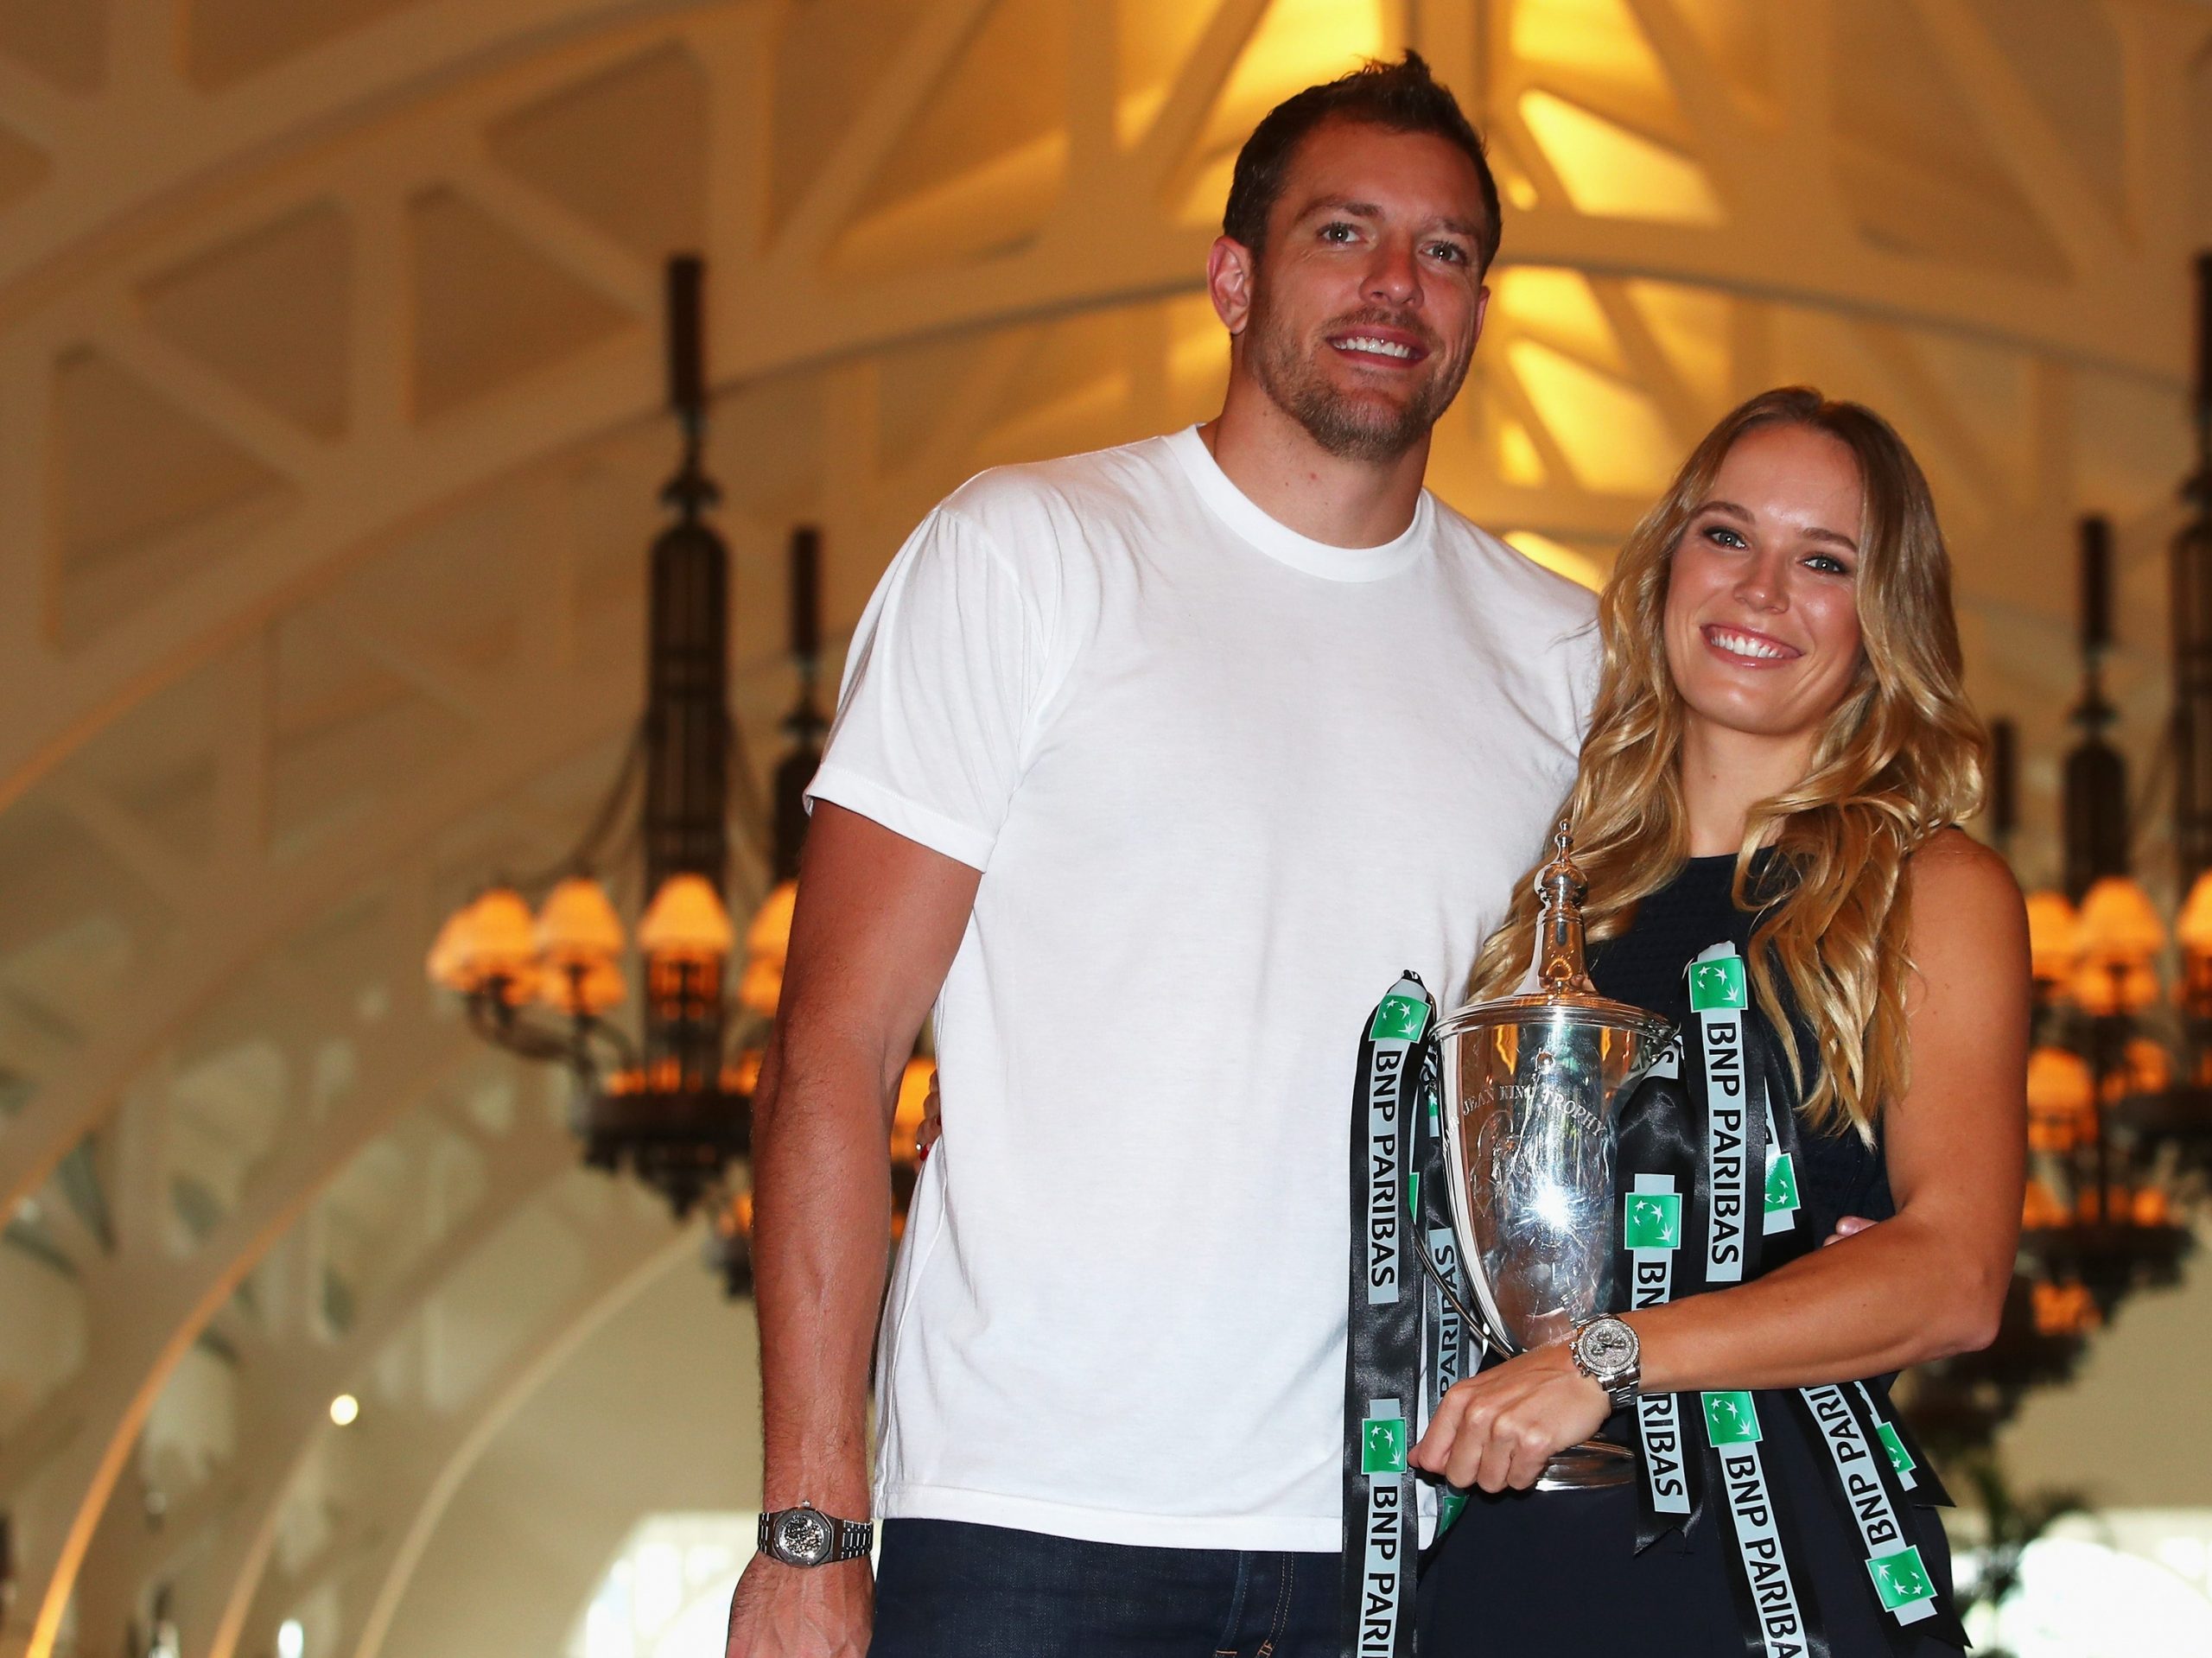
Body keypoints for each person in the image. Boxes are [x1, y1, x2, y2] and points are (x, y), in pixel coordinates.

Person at [724, 53, 1601, 1658]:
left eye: (1448, 251)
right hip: (1028, 1521)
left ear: (1481, 307)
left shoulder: (1562, 658)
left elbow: (1613, 1084)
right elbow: (832, 1054)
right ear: (1234, 274)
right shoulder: (1030, 554)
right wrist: (808, 1525)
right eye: (1344, 234)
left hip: (1403, 1531)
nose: (1397, 285)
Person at [1412, 387, 2029, 1655]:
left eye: (1825, 562)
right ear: (1667, 566)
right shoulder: (1542, 893)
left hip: (1781, 1573)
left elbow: (1957, 1277)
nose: (1760, 591)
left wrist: (1608, 1354)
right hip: (1500, 1567)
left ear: (1881, 623)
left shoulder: (1929, 891)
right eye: (1728, 536)